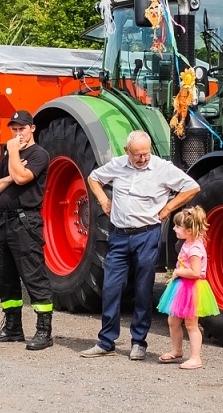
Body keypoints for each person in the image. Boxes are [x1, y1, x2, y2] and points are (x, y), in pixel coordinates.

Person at [80, 131, 199, 360]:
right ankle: (106, 340)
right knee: (111, 287)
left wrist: (168, 208)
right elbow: (94, 178)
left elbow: (192, 187)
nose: (143, 158)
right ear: (127, 152)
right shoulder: (118, 165)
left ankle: (138, 342)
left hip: (146, 235)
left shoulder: (162, 168)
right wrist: (104, 200)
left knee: (144, 288)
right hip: (119, 235)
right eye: (138, 155)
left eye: (146, 153)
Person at [0, 111, 53, 350]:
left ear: (32, 129)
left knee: (33, 275)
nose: (17, 134)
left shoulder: (39, 154)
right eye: (14, 129)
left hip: (25, 221)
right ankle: (13, 328)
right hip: (2, 221)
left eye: (22, 129)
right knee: (4, 277)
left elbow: (23, 178)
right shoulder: (8, 156)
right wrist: (10, 176)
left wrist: (13, 152)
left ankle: (44, 331)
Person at [158, 206, 219, 369]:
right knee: (173, 320)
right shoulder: (187, 243)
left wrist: (178, 271)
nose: (174, 228)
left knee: (191, 324)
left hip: (192, 288)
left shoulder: (194, 249)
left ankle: (196, 358)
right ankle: (177, 350)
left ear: (190, 230)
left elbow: (196, 272)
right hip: (182, 287)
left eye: (178, 226)